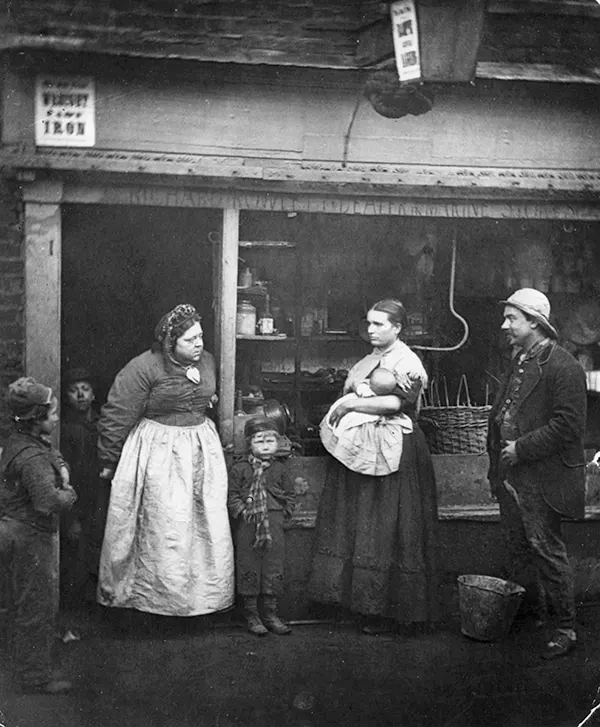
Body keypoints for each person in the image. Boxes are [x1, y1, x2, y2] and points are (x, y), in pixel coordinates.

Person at [308, 298, 438, 634]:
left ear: (397, 328)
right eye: (369, 323)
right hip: (360, 447)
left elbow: (396, 403)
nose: (371, 329)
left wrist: (350, 404)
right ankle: (358, 604)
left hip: (394, 446)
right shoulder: (370, 359)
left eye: (379, 324)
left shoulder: (408, 361)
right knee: (360, 521)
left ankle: (388, 609)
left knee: (387, 523)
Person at [96, 303, 234, 616]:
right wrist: (109, 458)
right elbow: (118, 413)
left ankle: (199, 602)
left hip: (200, 450)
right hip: (158, 452)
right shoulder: (144, 367)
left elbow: (209, 394)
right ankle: (154, 603)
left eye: (200, 337)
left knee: (200, 526)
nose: (199, 344)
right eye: (190, 340)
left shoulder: (209, 361)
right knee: (164, 527)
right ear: (170, 343)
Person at [487, 288, 587, 660]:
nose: (505, 325)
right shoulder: (521, 360)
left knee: (546, 549)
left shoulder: (563, 366)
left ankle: (564, 629)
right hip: (513, 476)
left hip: (544, 478)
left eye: (512, 318)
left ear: (534, 322)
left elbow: (568, 426)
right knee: (519, 548)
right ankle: (534, 618)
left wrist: (521, 449)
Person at [0, 377, 78, 694]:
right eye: (53, 413)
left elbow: (48, 454)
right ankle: (33, 676)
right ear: (37, 419)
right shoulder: (32, 460)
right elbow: (47, 502)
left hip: (13, 529)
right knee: (36, 606)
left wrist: (58, 464)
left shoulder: (18, 442)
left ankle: (23, 665)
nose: (57, 418)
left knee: (22, 602)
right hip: (30, 536)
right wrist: (69, 493)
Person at [228, 417, 296, 636]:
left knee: (273, 565)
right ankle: (251, 614)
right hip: (248, 523)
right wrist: (243, 510)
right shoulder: (240, 469)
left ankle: (270, 614)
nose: (266, 446)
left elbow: (290, 495)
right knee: (249, 564)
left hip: (274, 522)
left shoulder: (281, 469)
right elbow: (232, 495)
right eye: (259, 441)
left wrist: (285, 513)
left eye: (270, 441)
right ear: (249, 444)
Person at [60, 367, 108, 605]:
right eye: (73, 390)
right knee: (76, 553)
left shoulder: (104, 424)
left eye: (85, 389)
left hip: (101, 496)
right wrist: (71, 518)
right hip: (78, 498)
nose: (80, 396)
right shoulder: (65, 429)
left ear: (93, 394)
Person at [319, 366, 414, 476]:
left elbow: (392, 404)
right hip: (372, 411)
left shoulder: (366, 390)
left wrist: (358, 386)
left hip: (371, 412)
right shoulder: (381, 390)